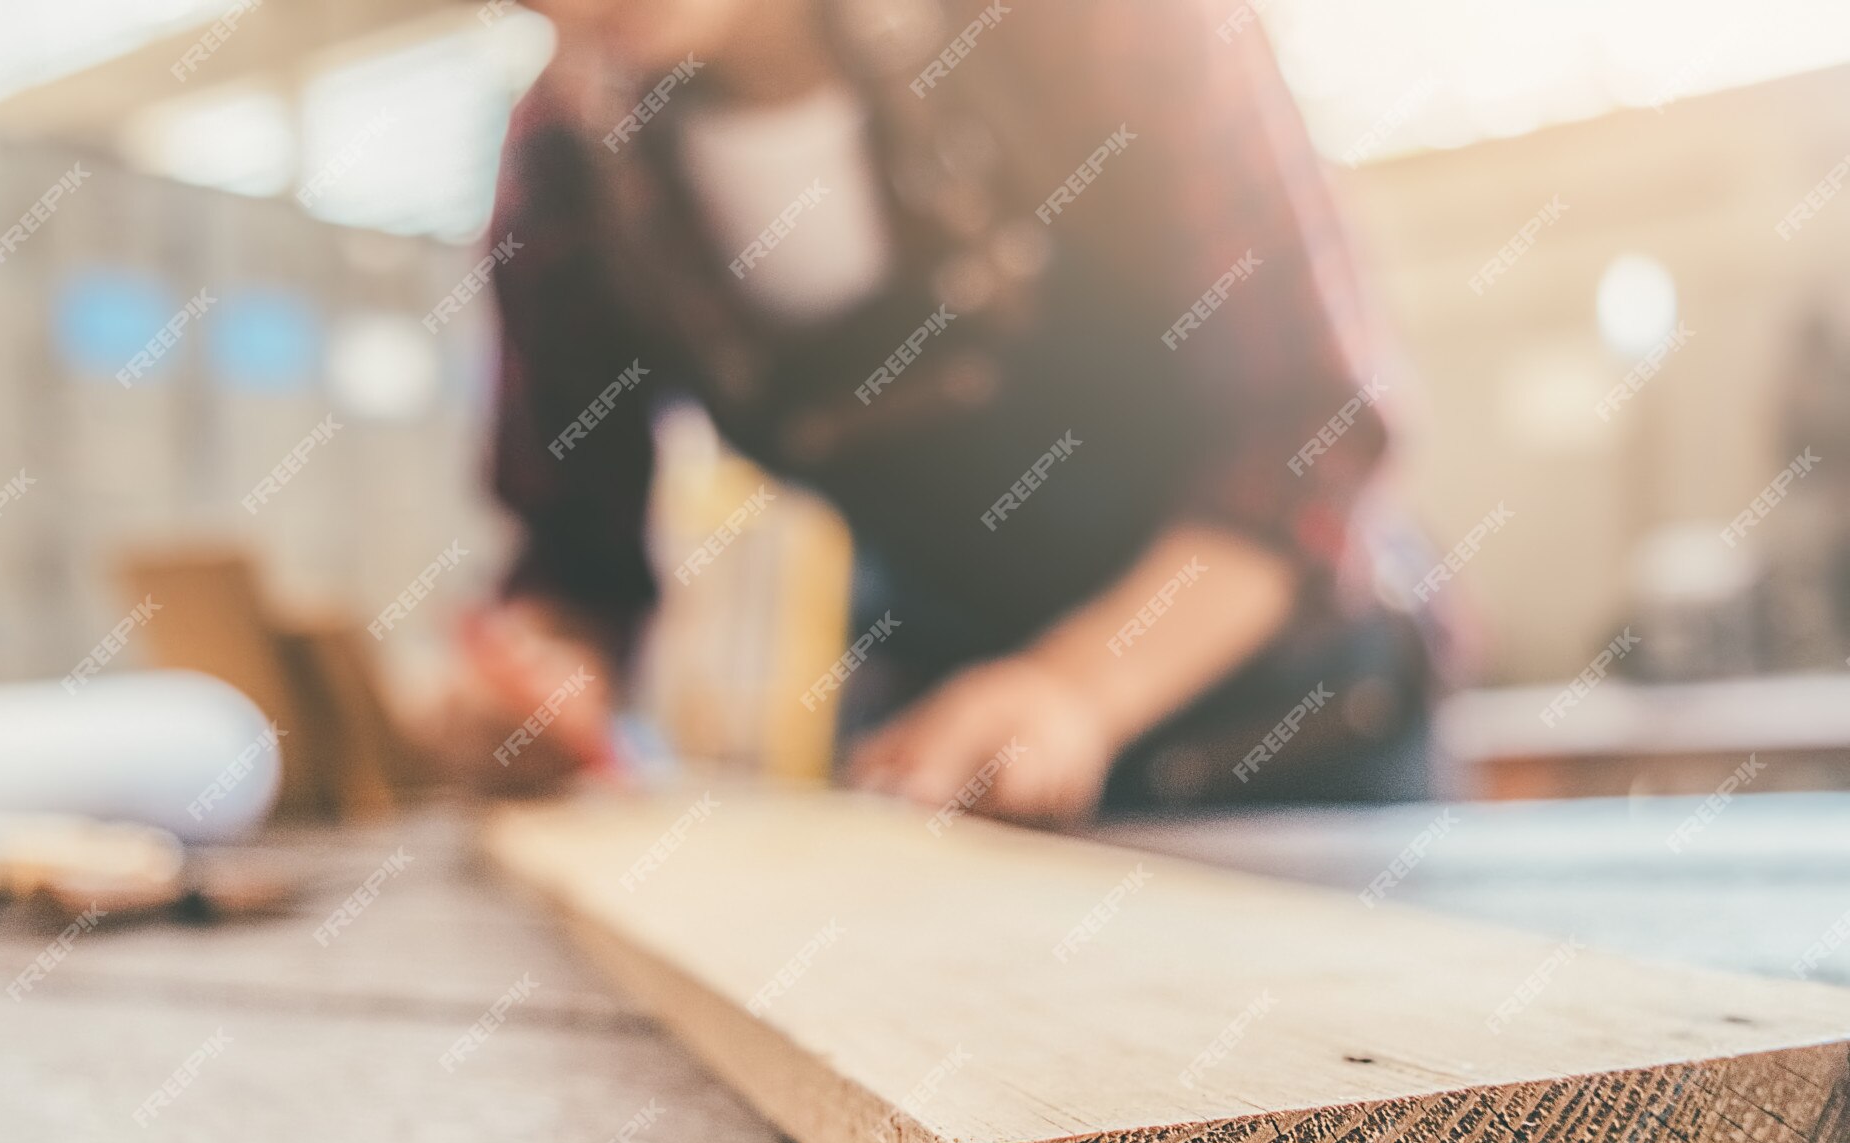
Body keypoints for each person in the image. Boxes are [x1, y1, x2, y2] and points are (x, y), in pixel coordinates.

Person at [443, 0, 1440, 823]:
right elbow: (573, 553)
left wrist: (1074, 690)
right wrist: (541, 680)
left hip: (1289, 741)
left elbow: (1310, 434)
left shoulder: (1100, 27)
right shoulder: (564, 166)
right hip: (943, 759)